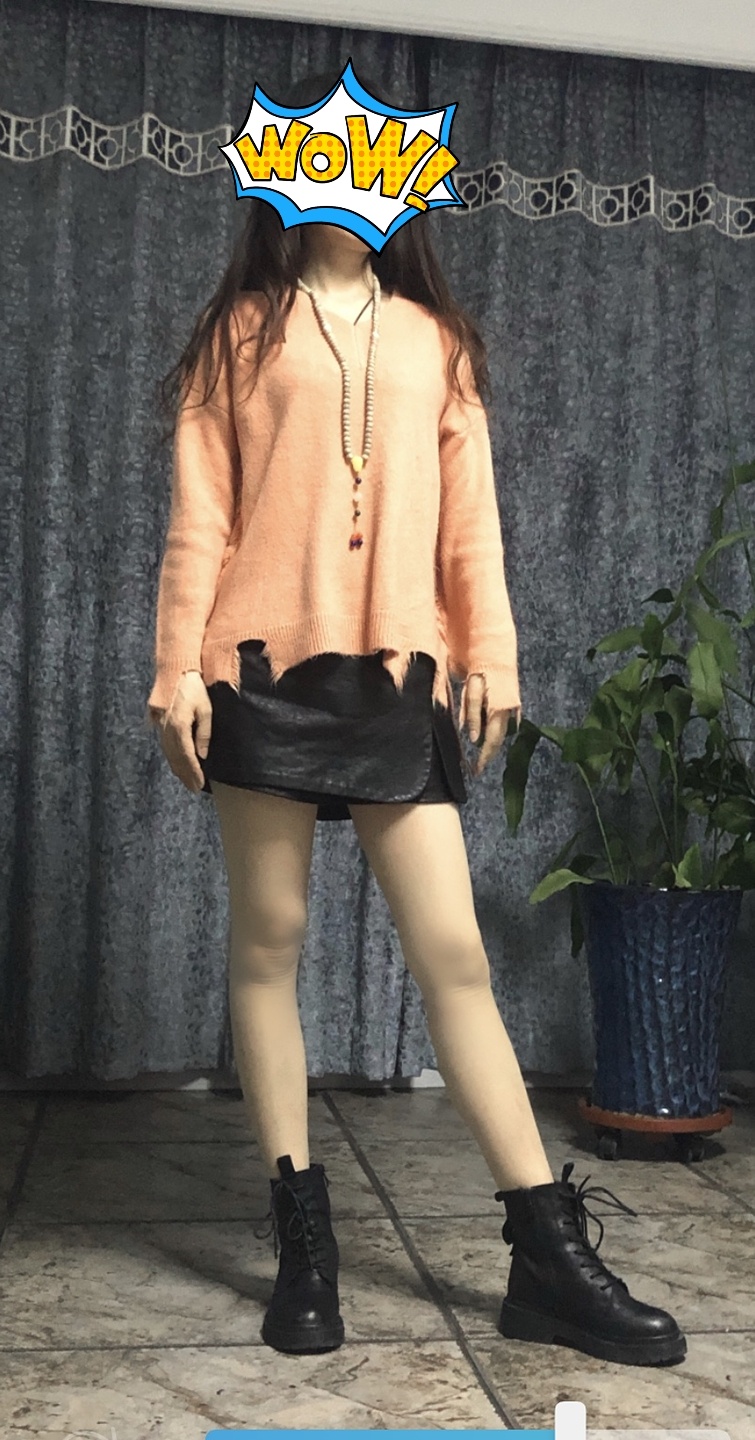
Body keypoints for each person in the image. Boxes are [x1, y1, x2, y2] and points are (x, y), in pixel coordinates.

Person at [145, 68, 686, 1369]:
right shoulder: (237, 334)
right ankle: (303, 1241)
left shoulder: (436, 342)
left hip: (398, 676)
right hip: (259, 670)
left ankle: (546, 1254)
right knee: (269, 945)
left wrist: (491, 653)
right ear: (279, 173)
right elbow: (201, 521)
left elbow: (470, 526)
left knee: (453, 955)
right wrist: (175, 670)